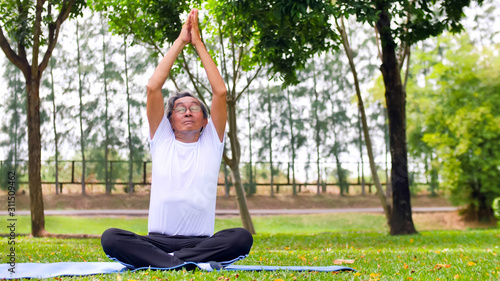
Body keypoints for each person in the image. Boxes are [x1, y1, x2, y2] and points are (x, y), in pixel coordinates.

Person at [100, 9, 253, 271]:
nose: (188, 112)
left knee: (241, 237)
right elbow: (152, 88)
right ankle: (180, 263)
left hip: (201, 243)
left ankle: (172, 263)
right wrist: (181, 41)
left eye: (195, 108)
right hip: (156, 242)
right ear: (169, 121)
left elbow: (220, 92)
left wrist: (198, 44)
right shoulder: (162, 140)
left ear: (205, 121)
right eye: (180, 108)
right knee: (111, 237)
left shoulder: (210, 144)